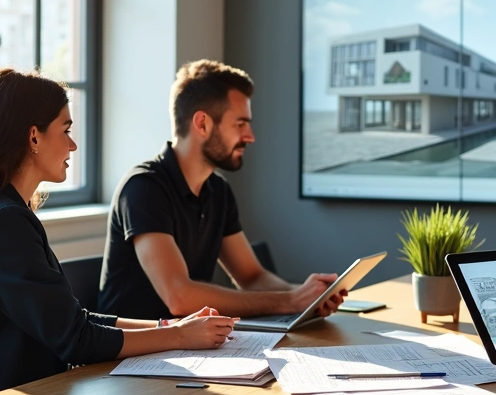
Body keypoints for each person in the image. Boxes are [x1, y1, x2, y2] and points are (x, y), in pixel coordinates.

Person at [0, 69, 237, 395]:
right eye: (65, 130)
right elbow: (75, 339)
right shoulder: (3, 222)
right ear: (33, 137)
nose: (73, 144)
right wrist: (179, 336)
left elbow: (70, 320)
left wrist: (169, 325)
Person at [98, 60, 347, 321]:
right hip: (131, 357)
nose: (250, 136)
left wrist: (307, 298)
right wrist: (289, 301)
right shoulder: (143, 188)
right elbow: (179, 297)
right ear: (202, 124)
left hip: (190, 346)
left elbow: (252, 277)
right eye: (240, 124)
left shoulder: (218, 190)